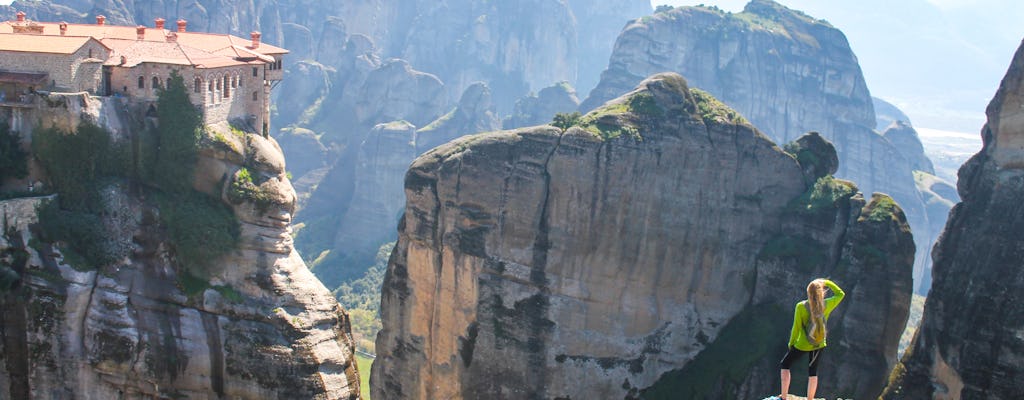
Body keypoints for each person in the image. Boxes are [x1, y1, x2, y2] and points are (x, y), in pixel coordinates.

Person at [770, 278, 845, 400]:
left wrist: (791, 343)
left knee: (785, 364)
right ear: (821, 292)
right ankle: (810, 398)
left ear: (808, 293)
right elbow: (841, 294)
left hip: (803, 344)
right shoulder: (827, 304)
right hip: (819, 343)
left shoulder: (801, 306)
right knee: (813, 371)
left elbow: (796, 328)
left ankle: (783, 397)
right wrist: (826, 282)